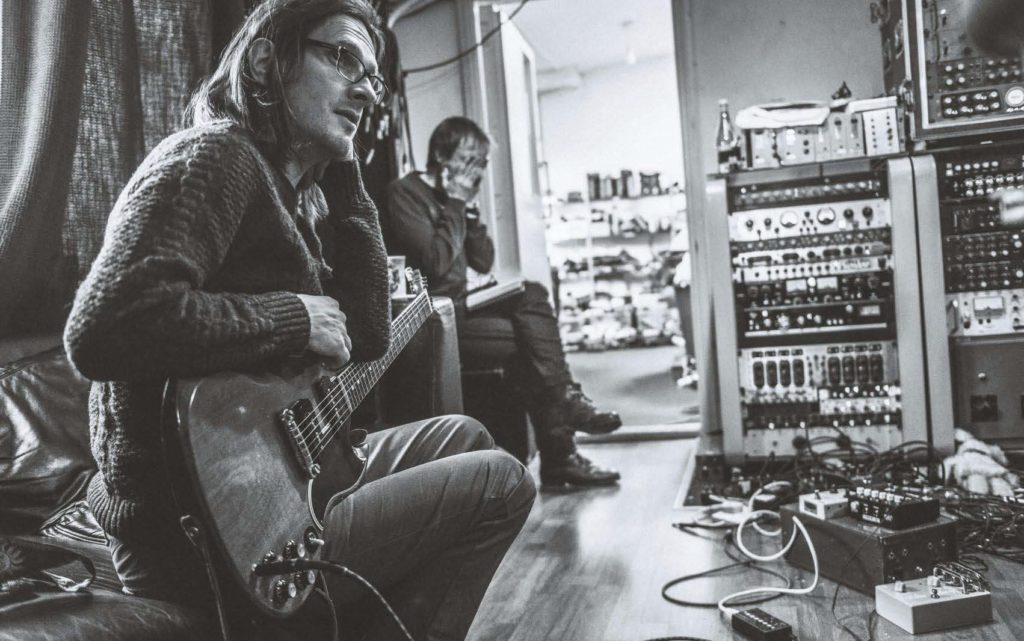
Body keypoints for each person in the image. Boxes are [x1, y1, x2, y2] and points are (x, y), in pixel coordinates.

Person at [62, 2, 535, 640]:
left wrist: (349, 182)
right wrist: (292, 319)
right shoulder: (215, 158)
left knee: (465, 435)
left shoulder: (295, 192)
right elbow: (105, 327)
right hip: (195, 531)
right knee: (501, 483)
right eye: (344, 58)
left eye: (372, 76)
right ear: (268, 60)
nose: (367, 89)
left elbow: (365, 337)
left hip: (283, 474)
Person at [383, 116, 622, 488]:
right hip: (432, 317)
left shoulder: (458, 199)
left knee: (533, 293)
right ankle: (561, 447)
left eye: (482, 162)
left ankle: (562, 416)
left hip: (463, 304)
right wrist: (457, 205)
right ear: (443, 156)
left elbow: (482, 260)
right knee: (531, 345)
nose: (478, 170)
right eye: (471, 159)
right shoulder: (404, 194)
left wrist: (468, 213)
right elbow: (437, 263)